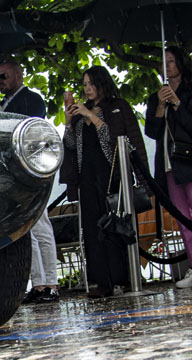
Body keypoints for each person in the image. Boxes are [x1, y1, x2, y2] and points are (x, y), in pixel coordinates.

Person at [59, 65, 151, 298]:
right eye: (84, 85)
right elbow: (70, 145)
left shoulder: (118, 107)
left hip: (113, 175)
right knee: (93, 229)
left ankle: (128, 276)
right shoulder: (81, 112)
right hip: (88, 177)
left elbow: (125, 141)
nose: (87, 89)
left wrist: (144, 180)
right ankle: (103, 281)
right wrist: (70, 121)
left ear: (102, 83)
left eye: (91, 84)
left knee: (120, 226)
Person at [0, 60, 58, 303]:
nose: (0, 81)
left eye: (4, 76)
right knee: (26, 231)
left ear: (18, 75)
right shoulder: (2, 104)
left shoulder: (32, 100)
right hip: (14, 172)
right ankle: (39, 282)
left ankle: (51, 282)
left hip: (31, 169)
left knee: (41, 227)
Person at [145, 47, 192, 289]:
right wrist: (161, 106)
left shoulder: (189, 91)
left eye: (171, 61)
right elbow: (151, 132)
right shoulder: (156, 96)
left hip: (188, 161)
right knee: (182, 218)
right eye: (164, 63)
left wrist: (177, 103)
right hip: (169, 164)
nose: (168, 66)